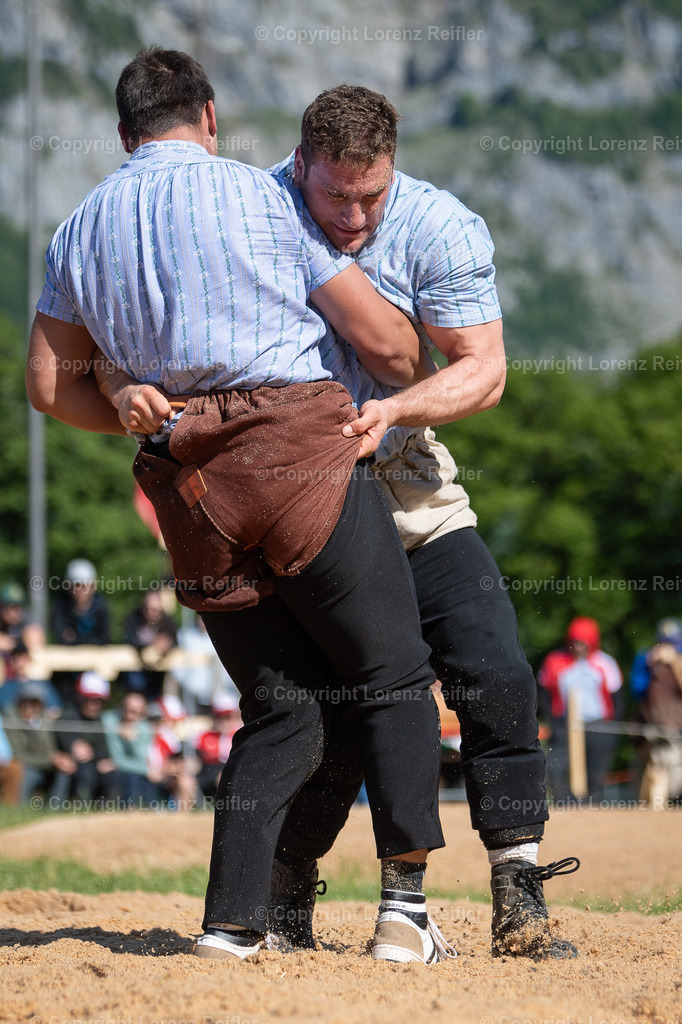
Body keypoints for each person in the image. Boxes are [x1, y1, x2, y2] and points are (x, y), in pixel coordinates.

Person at [26, 48, 449, 965]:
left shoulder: (76, 229)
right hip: (297, 453)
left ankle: (230, 927)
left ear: (124, 132)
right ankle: (405, 912)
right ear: (209, 119)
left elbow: (49, 388)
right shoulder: (260, 197)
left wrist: (135, 402)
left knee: (279, 706)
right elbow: (390, 349)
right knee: (393, 674)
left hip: (187, 484)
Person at [263, 85, 579, 961]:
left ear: (393, 166)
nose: (356, 214)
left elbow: (484, 370)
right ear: (302, 166)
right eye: (337, 196)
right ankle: (289, 883)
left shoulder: (440, 226)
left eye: (374, 194)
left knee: (497, 671)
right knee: (338, 708)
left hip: (412, 483)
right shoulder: (256, 211)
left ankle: (518, 889)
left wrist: (397, 411)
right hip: (305, 495)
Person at [539, 616, 623, 803]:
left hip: (598, 726)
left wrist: (612, 731)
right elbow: (544, 694)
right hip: (564, 725)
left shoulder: (605, 663)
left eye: (583, 642)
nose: (578, 647)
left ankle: (591, 810)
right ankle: (565, 804)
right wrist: (552, 722)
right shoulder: (555, 661)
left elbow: (617, 700)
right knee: (554, 769)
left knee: (595, 776)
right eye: (575, 642)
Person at [630, 618, 682, 806]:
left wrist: (675, 662)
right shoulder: (646, 659)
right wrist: (650, 665)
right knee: (651, 774)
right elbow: (637, 689)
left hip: (675, 730)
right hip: (649, 728)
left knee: (672, 779)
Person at [3, 682, 75, 806]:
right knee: (23, 771)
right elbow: (17, 754)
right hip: (26, 767)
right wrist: (50, 759)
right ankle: (18, 811)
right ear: (19, 701)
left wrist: (60, 759)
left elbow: (50, 748)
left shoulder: (44, 720)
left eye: (34, 703)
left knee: (64, 771)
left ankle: (55, 810)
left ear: (41, 705)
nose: (29, 707)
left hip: (45, 767)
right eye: (25, 702)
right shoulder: (10, 718)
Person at [55, 671, 117, 804]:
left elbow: (103, 752)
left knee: (113, 774)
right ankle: (80, 807)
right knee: (86, 771)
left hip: (94, 765)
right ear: (80, 697)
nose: (94, 705)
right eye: (90, 699)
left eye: (99, 701)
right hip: (71, 767)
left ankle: (108, 811)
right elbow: (76, 749)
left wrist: (99, 758)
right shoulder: (68, 716)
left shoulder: (100, 721)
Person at [101, 691, 154, 806]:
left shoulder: (145, 728)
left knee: (136, 777)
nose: (128, 714)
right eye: (126, 709)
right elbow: (115, 754)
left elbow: (142, 763)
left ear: (141, 714)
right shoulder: (109, 720)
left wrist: (132, 742)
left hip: (133, 774)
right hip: (118, 774)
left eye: (134, 712)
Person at [147, 694, 198, 809]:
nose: (175, 725)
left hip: (165, 777)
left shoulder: (169, 737)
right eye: (172, 721)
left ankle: (181, 818)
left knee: (186, 780)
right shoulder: (156, 734)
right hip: (149, 775)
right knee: (186, 780)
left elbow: (177, 762)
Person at [124, 591, 178, 699]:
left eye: (155, 610)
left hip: (158, 675)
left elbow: (177, 644)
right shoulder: (134, 618)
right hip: (137, 672)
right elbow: (127, 641)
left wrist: (168, 644)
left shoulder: (168, 622)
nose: (151, 613)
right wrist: (149, 645)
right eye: (147, 609)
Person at [194, 692, 242, 804]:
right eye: (219, 716)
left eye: (227, 717)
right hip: (207, 772)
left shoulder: (240, 735)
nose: (224, 721)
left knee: (226, 777)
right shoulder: (202, 736)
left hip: (231, 771)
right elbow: (195, 761)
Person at [52, 559, 111, 647]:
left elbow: (105, 639)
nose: (80, 591)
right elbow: (60, 637)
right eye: (76, 586)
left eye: (84, 586)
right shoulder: (61, 605)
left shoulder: (101, 606)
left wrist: (74, 638)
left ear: (93, 587)